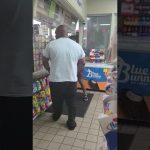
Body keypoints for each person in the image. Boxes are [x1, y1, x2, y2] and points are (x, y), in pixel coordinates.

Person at [42, 25, 85, 130]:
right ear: (67, 33)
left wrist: (49, 70)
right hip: (71, 80)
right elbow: (82, 62)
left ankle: (56, 116)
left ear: (57, 33)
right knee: (71, 102)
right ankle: (71, 122)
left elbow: (44, 60)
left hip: (56, 80)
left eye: (55, 33)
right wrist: (75, 72)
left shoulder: (51, 45)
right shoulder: (76, 45)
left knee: (57, 101)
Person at [69, 35, 88, 101]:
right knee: (73, 80)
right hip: (74, 65)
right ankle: (71, 95)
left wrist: (78, 69)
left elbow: (83, 61)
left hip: (79, 65)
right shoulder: (70, 48)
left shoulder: (78, 47)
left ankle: (85, 94)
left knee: (78, 80)